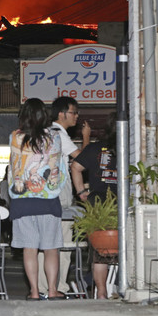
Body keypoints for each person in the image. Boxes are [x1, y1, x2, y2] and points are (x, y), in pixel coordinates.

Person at [8, 98, 67, 301]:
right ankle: (52, 290)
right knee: (51, 248)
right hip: (47, 200)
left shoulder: (15, 137)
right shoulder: (55, 137)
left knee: (29, 248)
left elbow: (14, 165)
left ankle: (34, 292)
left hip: (22, 200)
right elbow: (57, 165)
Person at [37, 96, 91, 297]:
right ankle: (58, 286)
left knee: (45, 243)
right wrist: (86, 137)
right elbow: (83, 159)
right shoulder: (59, 133)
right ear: (61, 114)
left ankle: (44, 287)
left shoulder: (43, 132)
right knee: (64, 242)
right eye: (73, 112)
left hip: (43, 193)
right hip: (60, 194)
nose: (76, 116)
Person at [71, 113, 118, 299]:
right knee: (126, 246)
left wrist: (82, 192)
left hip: (97, 203)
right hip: (123, 202)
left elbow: (75, 167)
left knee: (100, 250)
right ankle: (116, 287)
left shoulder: (96, 148)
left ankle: (101, 292)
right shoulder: (130, 147)